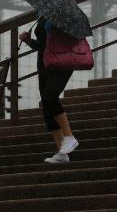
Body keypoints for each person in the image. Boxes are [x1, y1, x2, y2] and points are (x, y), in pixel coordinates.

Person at [19, 16, 79, 163]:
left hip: (61, 63)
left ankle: (69, 137)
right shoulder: (41, 16)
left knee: (50, 97)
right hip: (45, 64)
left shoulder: (61, 17)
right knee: (46, 105)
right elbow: (42, 45)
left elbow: (69, 39)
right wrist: (28, 40)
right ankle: (62, 152)